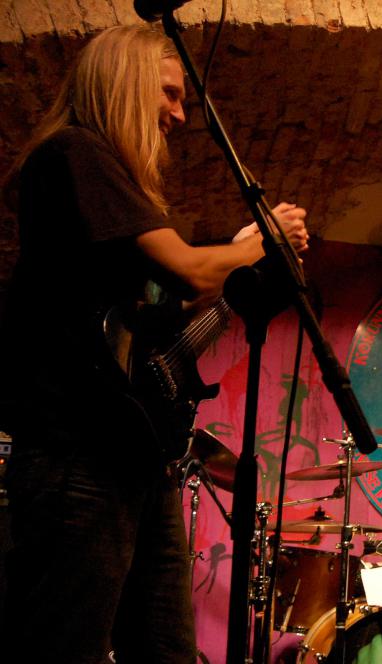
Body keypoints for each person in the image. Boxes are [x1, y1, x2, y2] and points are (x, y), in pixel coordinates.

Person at [0, 25, 308, 664]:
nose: (179, 114)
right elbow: (190, 271)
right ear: (124, 83)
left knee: (166, 650)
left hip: (135, 456)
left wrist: (242, 263)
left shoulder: (105, 184)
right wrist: (261, 241)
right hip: (77, 456)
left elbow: (161, 316)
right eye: (169, 94)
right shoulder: (75, 152)